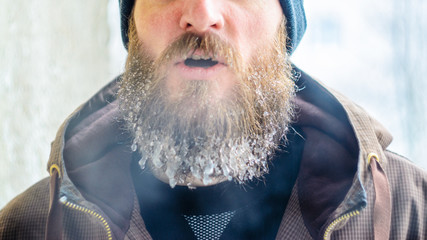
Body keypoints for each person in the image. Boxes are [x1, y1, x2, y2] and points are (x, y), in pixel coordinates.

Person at [1, 0, 426, 239]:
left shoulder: (411, 215)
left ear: (285, 26)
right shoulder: (29, 228)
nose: (201, 13)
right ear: (132, 25)